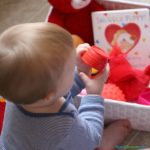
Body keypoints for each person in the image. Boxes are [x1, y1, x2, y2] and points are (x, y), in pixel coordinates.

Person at [0, 22, 130, 150]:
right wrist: (93, 95)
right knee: (92, 139)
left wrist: (80, 71)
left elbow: (58, 89)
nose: (74, 62)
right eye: (70, 67)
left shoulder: (19, 92)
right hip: (82, 141)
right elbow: (91, 140)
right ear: (49, 94)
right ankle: (104, 145)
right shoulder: (62, 126)